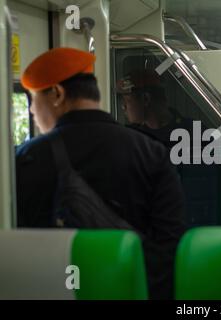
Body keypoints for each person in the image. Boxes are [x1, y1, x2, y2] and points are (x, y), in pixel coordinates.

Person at [16, 47, 186, 300]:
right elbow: (171, 245)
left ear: (57, 93)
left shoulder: (27, 159)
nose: (31, 111)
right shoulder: (152, 152)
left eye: (33, 100)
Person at [116, 69, 196, 149]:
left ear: (145, 99)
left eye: (126, 100)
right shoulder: (131, 136)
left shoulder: (193, 130)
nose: (123, 106)